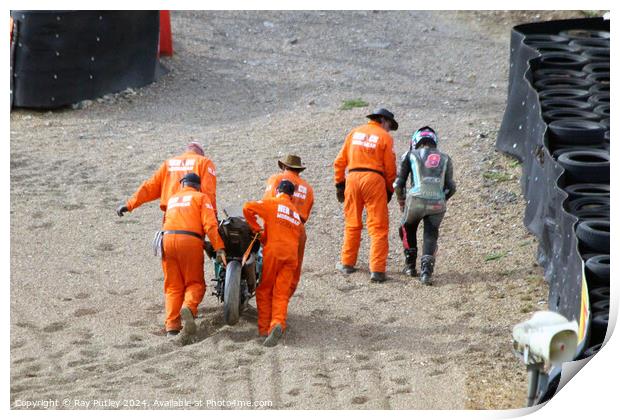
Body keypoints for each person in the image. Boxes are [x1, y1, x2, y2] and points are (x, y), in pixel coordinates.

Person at [120, 173, 226, 338]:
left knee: (173, 286)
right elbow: (210, 225)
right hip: (190, 240)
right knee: (195, 283)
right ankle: (189, 308)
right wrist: (219, 248)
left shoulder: (172, 199)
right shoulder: (201, 197)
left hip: (167, 240)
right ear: (198, 186)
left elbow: (166, 222)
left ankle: (172, 327)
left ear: (182, 184)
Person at [333, 107, 398, 283]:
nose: (389, 129)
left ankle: (347, 263)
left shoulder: (354, 132)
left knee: (352, 223)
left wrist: (340, 184)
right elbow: (390, 168)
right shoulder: (385, 137)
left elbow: (339, 162)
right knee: (378, 227)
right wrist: (389, 189)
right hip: (374, 180)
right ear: (383, 121)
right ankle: (377, 271)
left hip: (352, 178)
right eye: (389, 125)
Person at [243, 180, 303, 347]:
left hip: (274, 251)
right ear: (291, 196)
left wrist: (257, 230)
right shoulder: (295, 214)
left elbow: (247, 207)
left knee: (265, 289)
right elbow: (300, 236)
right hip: (291, 256)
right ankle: (277, 323)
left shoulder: (272, 202)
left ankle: (263, 329)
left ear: (277, 190)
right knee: (281, 293)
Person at [393, 126, 456, 285]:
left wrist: (402, 202)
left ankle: (410, 265)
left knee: (407, 227)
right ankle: (426, 272)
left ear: (415, 142)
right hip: (437, 201)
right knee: (431, 232)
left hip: (416, 199)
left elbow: (399, 184)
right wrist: (442, 199)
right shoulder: (446, 158)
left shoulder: (409, 155)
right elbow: (451, 187)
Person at [116, 141, 218, 218]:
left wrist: (129, 205)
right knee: (192, 241)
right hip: (193, 213)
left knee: (170, 241)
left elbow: (150, 187)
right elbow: (208, 191)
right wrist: (213, 215)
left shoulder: (169, 163)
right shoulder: (204, 162)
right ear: (201, 154)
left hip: (171, 214)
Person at [263, 155, 314, 297]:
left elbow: (267, 202)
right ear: (299, 170)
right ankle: (283, 301)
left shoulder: (276, 179)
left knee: (269, 261)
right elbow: (307, 213)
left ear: (284, 166)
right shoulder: (308, 188)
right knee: (293, 268)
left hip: (277, 222)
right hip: (298, 227)